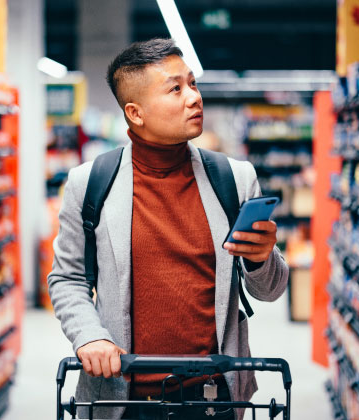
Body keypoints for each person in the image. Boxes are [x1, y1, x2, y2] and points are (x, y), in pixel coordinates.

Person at [48, 38, 289, 420]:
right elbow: (67, 279)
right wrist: (89, 336)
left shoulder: (235, 179)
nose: (193, 97)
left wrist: (261, 260)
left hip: (215, 397)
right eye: (175, 88)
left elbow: (271, 290)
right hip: (121, 397)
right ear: (136, 113)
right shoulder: (90, 183)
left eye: (192, 84)